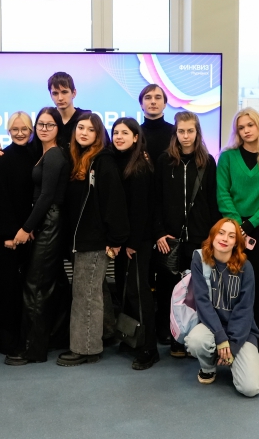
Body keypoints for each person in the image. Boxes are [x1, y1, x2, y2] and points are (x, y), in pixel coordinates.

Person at [57, 112, 129, 367]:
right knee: (95, 290)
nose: (84, 132)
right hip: (80, 239)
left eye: (90, 129)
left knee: (85, 294)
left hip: (95, 240)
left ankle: (86, 348)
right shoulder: (76, 160)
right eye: (80, 128)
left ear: (99, 135)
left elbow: (114, 203)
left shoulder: (103, 162)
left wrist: (115, 239)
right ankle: (105, 333)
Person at [5, 108, 71, 366]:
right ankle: (53, 338)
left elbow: (46, 197)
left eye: (50, 125)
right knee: (49, 285)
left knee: (35, 287)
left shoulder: (54, 155)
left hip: (50, 222)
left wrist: (25, 228)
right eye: (41, 124)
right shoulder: (43, 152)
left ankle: (32, 349)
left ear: (58, 128)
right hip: (46, 222)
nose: (44, 128)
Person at [153, 111, 220, 356]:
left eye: (190, 131)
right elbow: (155, 200)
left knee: (196, 291)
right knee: (170, 290)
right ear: (175, 133)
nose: (186, 136)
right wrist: (159, 232)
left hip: (200, 238)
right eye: (181, 131)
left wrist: (212, 237)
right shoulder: (164, 161)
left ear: (197, 132)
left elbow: (212, 201)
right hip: (170, 239)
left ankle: (195, 338)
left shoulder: (207, 162)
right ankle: (174, 337)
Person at [216, 108, 259, 342]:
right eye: (241, 127)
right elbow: (222, 192)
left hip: (258, 229)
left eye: (250, 125)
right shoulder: (227, 157)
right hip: (230, 230)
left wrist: (251, 224)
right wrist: (237, 225)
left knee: (258, 284)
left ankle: (257, 335)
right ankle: (231, 334)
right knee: (231, 283)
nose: (246, 131)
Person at [185, 218, 259, 397]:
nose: (224, 239)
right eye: (221, 233)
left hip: (242, 332)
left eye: (231, 236)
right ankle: (208, 368)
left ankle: (235, 361)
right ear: (213, 235)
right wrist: (220, 337)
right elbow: (202, 302)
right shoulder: (200, 260)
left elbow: (245, 310)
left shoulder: (246, 267)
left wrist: (233, 346)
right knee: (196, 341)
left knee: (250, 388)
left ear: (236, 242)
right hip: (212, 327)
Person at [0, 111, 37, 357]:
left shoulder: (38, 158)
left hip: (31, 234)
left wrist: (30, 228)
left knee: (27, 289)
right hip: (6, 239)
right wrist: (8, 234)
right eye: (15, 129)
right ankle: (5, 340)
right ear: (8, 131)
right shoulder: (1, 159)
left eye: (24, 129)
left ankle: (26, 337)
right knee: (6, 289)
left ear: (31, 131)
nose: (19, 133)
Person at [110, 117, 159, 370]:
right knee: (125, 291)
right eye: (115, 132)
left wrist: (132, 243)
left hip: (137, 243)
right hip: (124, 241)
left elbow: (141, 210)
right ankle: (132, 338)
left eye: (124, 133)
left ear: (136, 137)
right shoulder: (119, 160)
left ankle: (149, 348)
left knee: (138, 294)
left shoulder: (140, 165)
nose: (119, 137)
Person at [139, 84, 174, 162]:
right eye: (148, 98)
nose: (153, 102)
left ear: (165, 104)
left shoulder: (175, 132)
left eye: (158, 98)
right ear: (141, 105)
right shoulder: (134, 133)